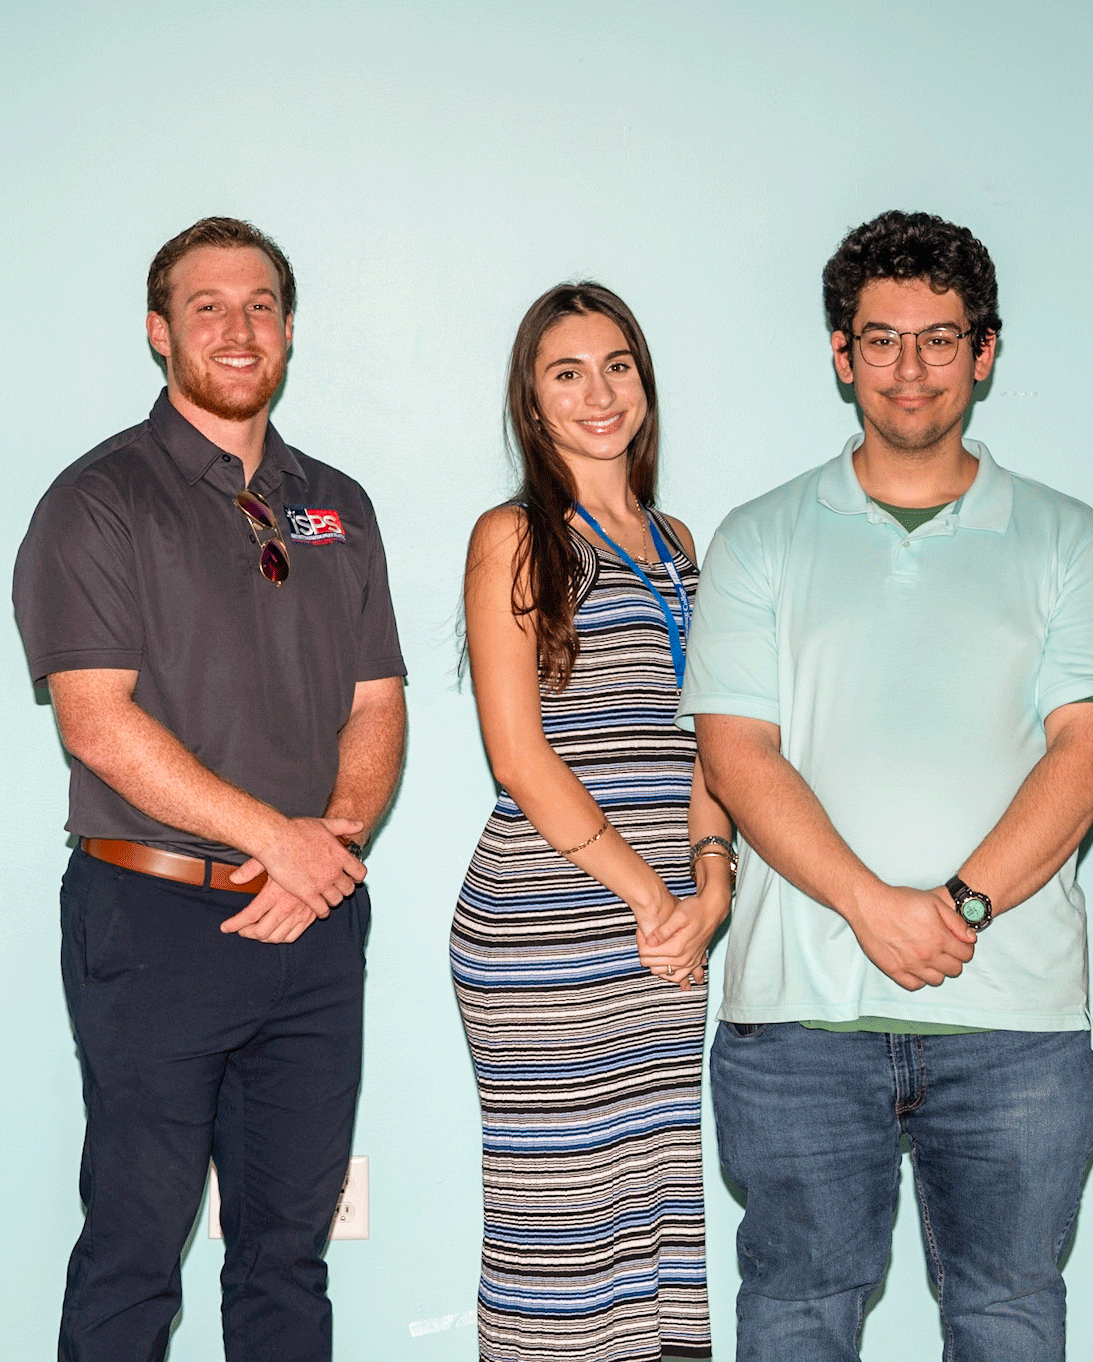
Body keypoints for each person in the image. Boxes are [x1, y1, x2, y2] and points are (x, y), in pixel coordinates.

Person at [677, 209, 1093, 1362]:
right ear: (840, 354)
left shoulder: (1066, 539)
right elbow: (736, 754)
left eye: (938, 340)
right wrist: (872, 907)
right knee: (794, 1317)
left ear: (984, 351)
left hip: (1014, 1027)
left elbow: (1085, 753)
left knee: (1007, 1321)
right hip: (796, 1022)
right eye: (879, 340)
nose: (909, 369)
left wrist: (961, 907)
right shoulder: (759, 537)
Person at [11, 216, 407, 1361]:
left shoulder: (337, 502)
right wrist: (270, 839)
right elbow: (95, 720)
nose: (238, 330)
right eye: (207, 307)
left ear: (287, 330)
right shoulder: (98, 501)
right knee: (136, 1253)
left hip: (314, 923)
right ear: (158, 332)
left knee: (287, 1257)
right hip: (153, 920)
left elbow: (376, 705)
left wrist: (321, 848)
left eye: (261, 305)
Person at [451, 282, 731, 1361]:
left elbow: (714, 735)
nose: (597, 391)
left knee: (655, 1227)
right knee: (561, 1245)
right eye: (566, 372)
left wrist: (710, 886)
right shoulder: (514, 537)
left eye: (617, 365)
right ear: (532, 403)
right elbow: (518, 756)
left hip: (668, 936)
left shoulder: (676, 540)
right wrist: (653, 897)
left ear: (644, 385)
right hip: (548, 933)